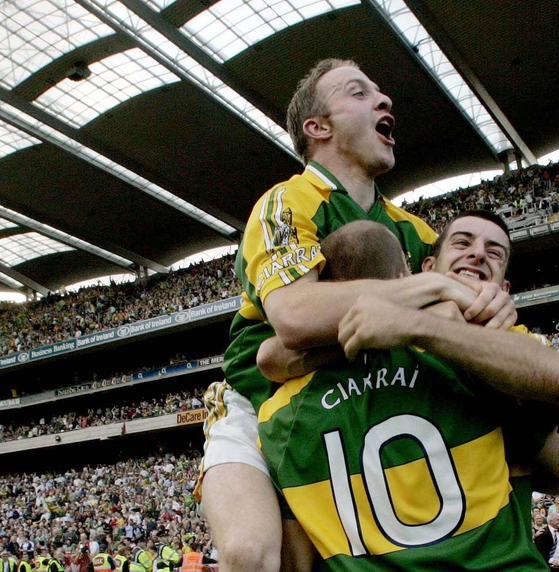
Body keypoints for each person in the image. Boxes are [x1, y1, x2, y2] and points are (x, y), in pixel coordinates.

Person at [197, 58, 507, 572]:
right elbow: (294, 315)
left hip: (360, 398)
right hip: (260, 404)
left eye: (381, 94)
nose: (384, 101)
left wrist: (491, 305)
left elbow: (472, 314)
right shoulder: (284, 203)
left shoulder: (419, 232)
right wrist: (429, 289)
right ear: (317, 128)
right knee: (249, 553)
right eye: (359, 93)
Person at [258, 217, 559, 569]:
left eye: (494, 252)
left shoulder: (278, 413)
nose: (477, 255)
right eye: (462, 244)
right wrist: (420, 323)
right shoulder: (481, 365)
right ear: (419, 272)